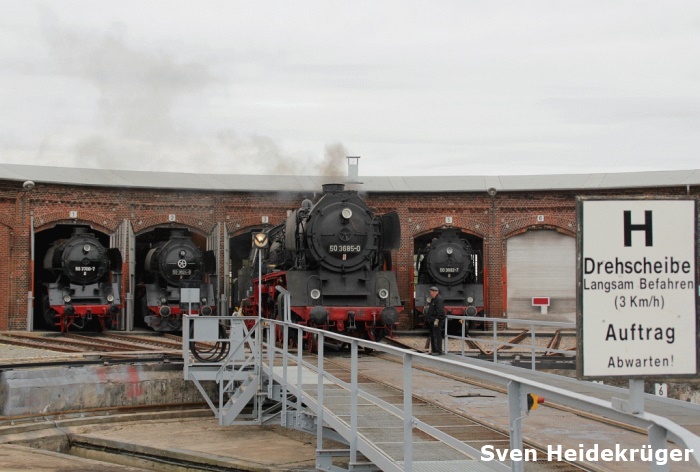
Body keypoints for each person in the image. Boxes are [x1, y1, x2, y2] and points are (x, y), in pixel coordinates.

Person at [425, 286, 446, 355]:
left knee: (436, 335)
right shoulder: (434, 299)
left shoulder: (438, 299)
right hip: (432, 320)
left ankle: (438, 350)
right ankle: (434, 350)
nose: (430, 293)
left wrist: (437, 319)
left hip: (436, 321)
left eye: (431, 292)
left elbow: (440, 311)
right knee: (433, 335)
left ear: (434, 292)